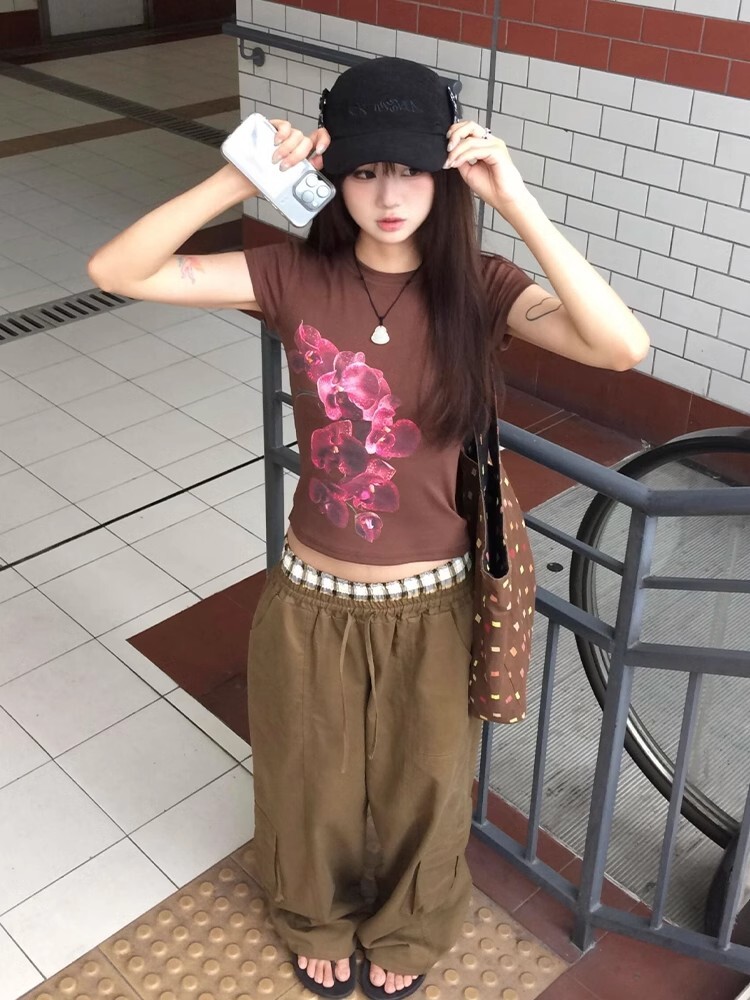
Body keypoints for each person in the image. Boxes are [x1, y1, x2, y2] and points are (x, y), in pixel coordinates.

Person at [88, 56, 649, 1000]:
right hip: (313, 596)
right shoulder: (290, 273)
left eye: (411, 170)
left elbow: (621, 346)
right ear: (334, 175)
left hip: (437, 602)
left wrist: (515, 200)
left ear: (445, 174)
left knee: (428, 787)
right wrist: (238, 177)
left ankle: (410, 926)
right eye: (364, 171)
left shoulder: (483, 286)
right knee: (309, 779)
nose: (389, 196)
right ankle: (313, 915)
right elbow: (116, 270)